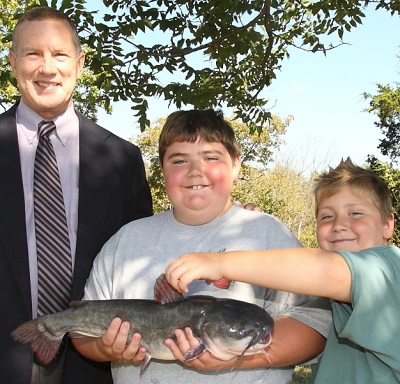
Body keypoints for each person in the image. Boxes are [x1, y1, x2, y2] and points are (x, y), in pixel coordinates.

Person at [72, 108, 331, 384]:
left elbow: (315, 326)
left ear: (236, 166)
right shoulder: (124, 242)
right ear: (162, 170)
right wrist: (103, 347)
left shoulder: (269, 236)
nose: (196, 172)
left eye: (211, 158)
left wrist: (240, 359)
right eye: (179, 160)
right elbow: (80, 330)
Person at [0, 6, 153, 384]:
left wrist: (225, 219)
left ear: (80, 63)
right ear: (13, 61)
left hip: (94, 363)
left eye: (60, 54)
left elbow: (146, 252)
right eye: (34, 53)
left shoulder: (122, 159)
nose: (47, 68)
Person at [165, 158, 400, 383]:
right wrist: (249, 226)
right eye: (326, 216)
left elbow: (325, 271)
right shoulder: (336, 296)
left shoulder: (388, 267)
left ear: (388, 224)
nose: (338, 225)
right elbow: (298, 270)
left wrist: (219, 263)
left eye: (355, 213)